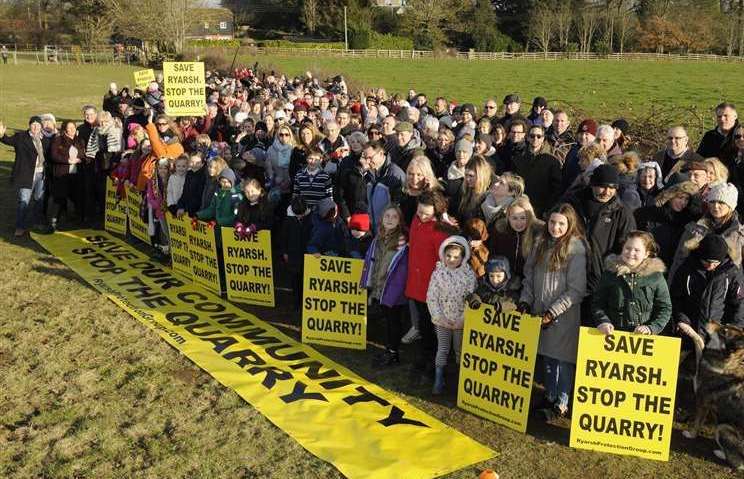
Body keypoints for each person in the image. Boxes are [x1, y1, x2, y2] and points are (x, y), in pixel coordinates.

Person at [519, 203, 587, 418]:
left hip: (563, 315)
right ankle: (550, 394)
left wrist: (553, 312)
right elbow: (529, 276)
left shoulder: (575, 248)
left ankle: (563, 399)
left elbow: (576, 289)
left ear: (570, 224)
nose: (555, 227)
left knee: (563, 359)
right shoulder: (540, 244)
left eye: (561, 224)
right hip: (539, 311)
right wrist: (525, 301)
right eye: (552, 222)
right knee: (547, 357)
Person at [406, 190, 459, 384]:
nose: (422, 216)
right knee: (423, 326)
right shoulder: (416, 220)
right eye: (420, 211)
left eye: (426, 213)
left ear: (436, 212)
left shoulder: (442, 230)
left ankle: (435, 365)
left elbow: (449, 262)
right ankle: (425, 358)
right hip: (416, 283)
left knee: (435, 328)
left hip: (433, 289)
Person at [567, 164, 636, 301]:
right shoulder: (573, 204)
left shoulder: (622, 213)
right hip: (569, 275)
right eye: (603, 186)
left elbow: (629, 248)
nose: (607, 192)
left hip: (601, 281)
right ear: (592, 184)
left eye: (612, 188)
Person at [671, 234, 744, 348]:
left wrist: (733, 331)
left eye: (716, 263)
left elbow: (739, 304)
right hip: (689, 331)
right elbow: (675, 298)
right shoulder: (686, 269)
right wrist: (682, 320)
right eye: (707, 261)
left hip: (718, 335)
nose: (711, 265)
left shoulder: (732, 272)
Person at [593, 231, 672, 336]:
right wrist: (603, 321)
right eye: (628, 248)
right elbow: (598, 303)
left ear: (646, 254)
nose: (631, 253)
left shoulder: (656, 277)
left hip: (645, 341)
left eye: (637, 250)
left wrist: (651, 328)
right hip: (613, 337)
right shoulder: (610, 274)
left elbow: (665, 308)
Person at [426, 235, 477, 395]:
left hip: (460, 321)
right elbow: (432, 297)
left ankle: (462, 379)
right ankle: (439, 378)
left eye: (456, 257)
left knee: (460, 349)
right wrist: (439, 317)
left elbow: (472, 299)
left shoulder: (469, 275)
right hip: (443, 321)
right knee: (442, 348)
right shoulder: (438, 273)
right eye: (448, 256)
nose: (452, 259)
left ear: (463, 258)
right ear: (443, 255)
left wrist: (463, 319)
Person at [361, 205, 409, 366]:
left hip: (393, 290)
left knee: (394, 322)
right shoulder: (379, 238)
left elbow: (400, 269)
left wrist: (393, 291)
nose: (389, 219)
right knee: (388, 321)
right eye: (387, 216)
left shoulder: (401, 241)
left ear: (399, 221)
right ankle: (389, 350)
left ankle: (394, 353)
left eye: (394, 217)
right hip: (380, 287)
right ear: (381, 219)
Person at [669, 182, 744, 282]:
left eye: (721, 202)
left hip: (726, 290)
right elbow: (679, 261)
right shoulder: (695, 229)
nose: (715, 206)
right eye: (712, 202)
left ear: (731, 206)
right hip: (694, 287)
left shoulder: (740, 234)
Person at [634, 173, 700, 267]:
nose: (683, 202)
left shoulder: (686, 221)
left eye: (686, 199)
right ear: (669, 195)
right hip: (643, 264)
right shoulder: (645, 214)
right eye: (680, 197)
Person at [0, 117, 52, 236]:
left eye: (37, 125)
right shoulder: (21, 137)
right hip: (26, 175)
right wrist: (2, 135)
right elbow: (8, 140)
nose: (35, 127)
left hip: (41, 174)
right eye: (33, 125)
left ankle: (37, 222)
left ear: (41, 127)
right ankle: (20, 226)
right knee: (24, 201)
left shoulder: (44, 139)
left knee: (39, 200)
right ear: (29, 126)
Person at [489, 196, 544, 290]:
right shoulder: (500, 232)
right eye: (514, 218)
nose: (518, 223)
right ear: (508, 218)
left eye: (523, 218)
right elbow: (493, 255)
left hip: (529, 285)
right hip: (503, 282)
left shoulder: (538, 235)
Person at [509, 124, 562, 218]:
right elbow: (513, 183)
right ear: (528, 138)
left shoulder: (552, 161)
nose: (535, 138)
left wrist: (548, 209)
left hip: (541, 210)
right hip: (520, 207)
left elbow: (556, 189)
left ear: (543, 138)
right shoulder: (518, 159)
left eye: (539, 136)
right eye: (532, 136)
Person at [363, 139, 406, 232]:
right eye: (365, 158)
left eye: (370, 157)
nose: (367, 161)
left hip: (389, 231)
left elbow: (399, 207)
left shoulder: (394, 174)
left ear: (381, 154)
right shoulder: (370, 174)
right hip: (375, 230)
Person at [49, 120, 85, 229]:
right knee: (59, 198)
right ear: (65, 129)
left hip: (75, 175)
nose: (72, 130)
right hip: (62, 174)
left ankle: (79, 219)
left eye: (73, 127)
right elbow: (54, 156)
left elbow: (83, 154)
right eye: (69, 128)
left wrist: (80, 159)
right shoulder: (58, 140)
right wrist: (68, 161)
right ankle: (53, 221)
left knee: (78, 197)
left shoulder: (80, 140)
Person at [281, 196, 313, 309]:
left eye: (301, 214)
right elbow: (284, 236)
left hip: (306, 252)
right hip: (293, 252)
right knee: (295, 278)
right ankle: (296, 300)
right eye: (297, 214)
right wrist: (285, 251)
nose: (299, 216)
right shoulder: (288, 220)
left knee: (306, 277)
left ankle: (305, 299)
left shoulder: (311, 218)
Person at [452, 155, 493, 224]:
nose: (467, 179)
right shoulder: (465, 189)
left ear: (481, 176)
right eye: (466, 175)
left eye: (471, 176)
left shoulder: (488, 197)